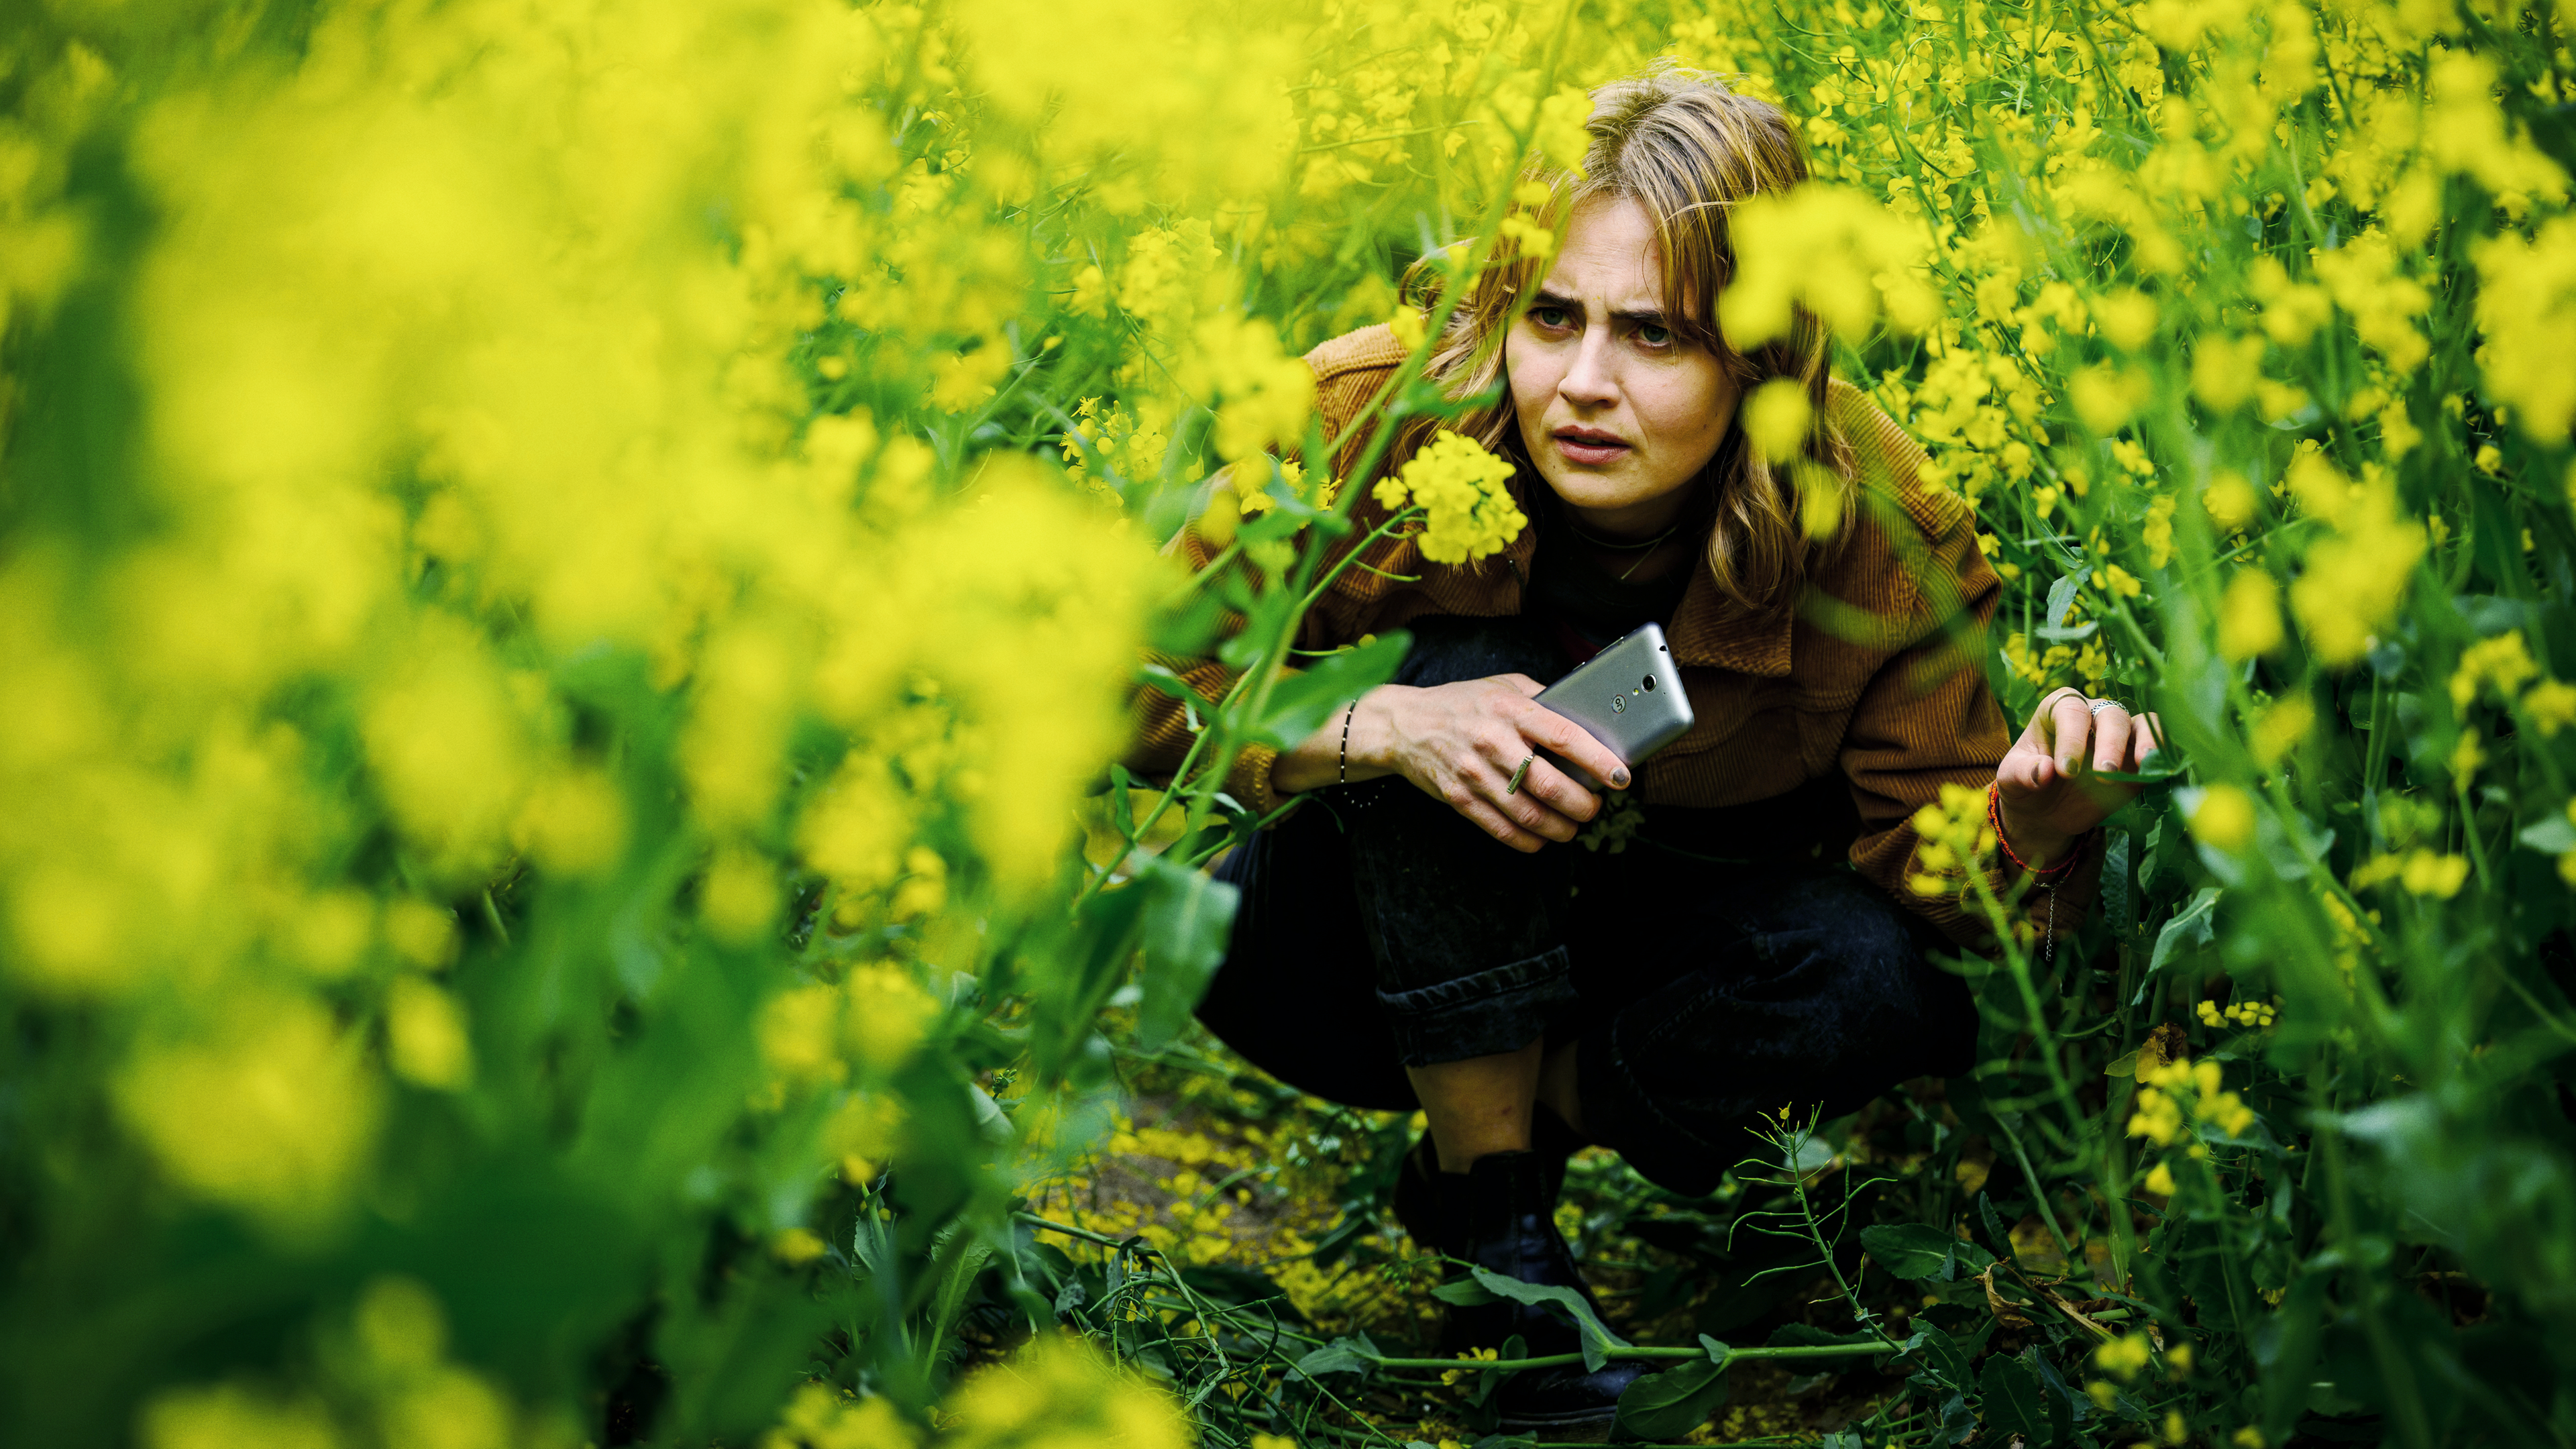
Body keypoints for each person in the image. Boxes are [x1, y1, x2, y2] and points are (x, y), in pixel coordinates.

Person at [1124, 66, 2155, 1433]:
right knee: (1459, 685)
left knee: (1880, 982)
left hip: (1641, 964)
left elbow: (1936, 889)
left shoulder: (1875, 524)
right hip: (1334, 962)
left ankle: (1490, 1148)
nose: (1582, 385)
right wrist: (1379, 723)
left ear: (1759, 357)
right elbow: (1127, 690)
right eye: (1552, 317)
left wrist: (2033, 824)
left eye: (1656, 335)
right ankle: (1502, 1245)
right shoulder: (1370, 412)